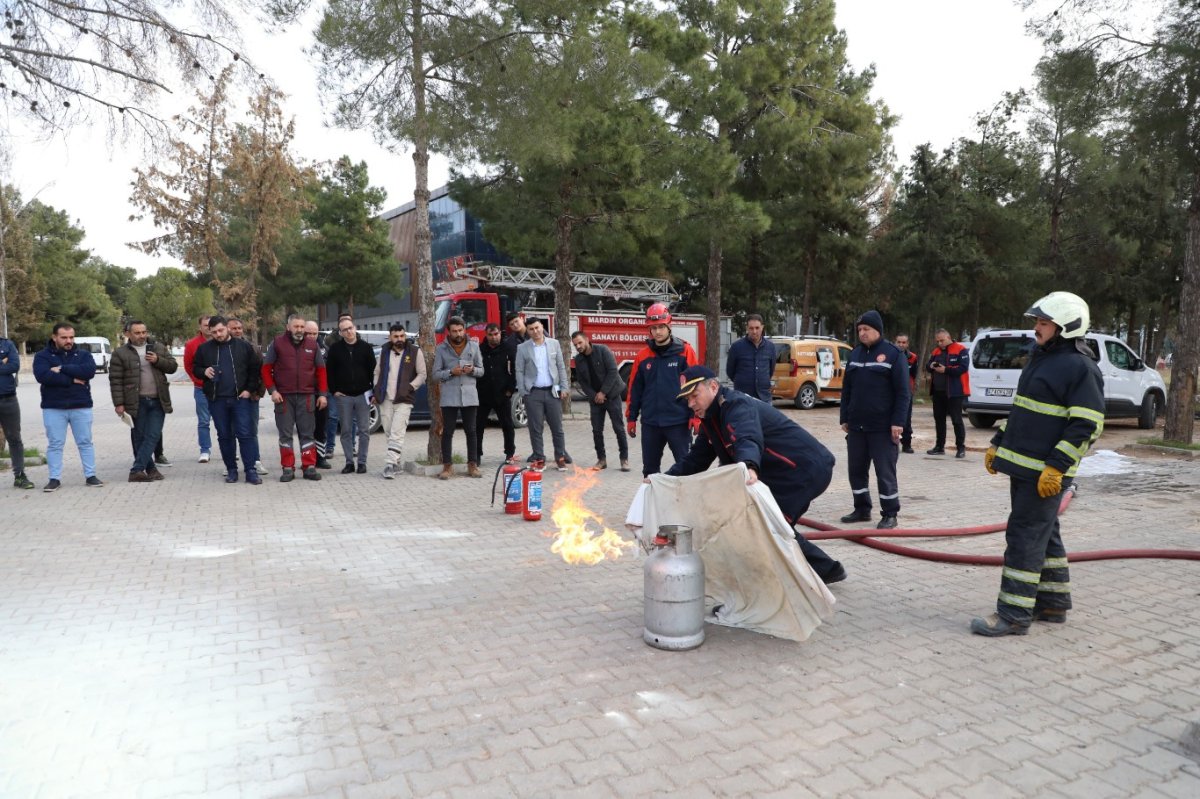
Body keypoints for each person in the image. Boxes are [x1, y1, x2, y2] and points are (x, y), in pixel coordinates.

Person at [972, 292, 1104, 636]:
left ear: (1066, 327)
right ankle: (1052, 603)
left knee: (1024, 537)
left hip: (1045, 472)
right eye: (1037, 322)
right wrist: (998, 444)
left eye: (1043, 323)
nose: (1036, 328)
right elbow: (1022, 409)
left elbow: (1087, 425)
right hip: (1025, 468)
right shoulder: (1040, 358)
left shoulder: (1080, 368)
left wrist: (1057, 467)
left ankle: (1013, 614)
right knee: (1045, 534)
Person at [667, 366, 846, 584]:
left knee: (768, 527)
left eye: (694, 396)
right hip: (780, 472)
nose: (691, 404)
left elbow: (747, 437)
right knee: (769, 526)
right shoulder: (710, 419)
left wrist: (749, 465)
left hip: (803, 469)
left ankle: (781, 582)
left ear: (713, 387)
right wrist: (665, 479)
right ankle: (824, 569)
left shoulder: (736, 406)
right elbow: (697, 459)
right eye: (687, 399)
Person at [839, 310, 909, 530]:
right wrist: (844, 417)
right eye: (859, 330)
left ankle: (890, 513)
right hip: (857, 426)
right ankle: (862, 509)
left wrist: (898, 422)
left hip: (883, 427)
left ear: (877, 330)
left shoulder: (893, 354)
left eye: (866, 329)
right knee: (856, 470)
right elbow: (846, 390)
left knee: (884, 472)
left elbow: (903, 393)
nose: (862, 333)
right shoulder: (855, 354)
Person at [626, 302, 698, 477]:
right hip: (651, 423)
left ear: (669, 325)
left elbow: (696, 386)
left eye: (661, 327)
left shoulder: (685, 351)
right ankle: (653, 504)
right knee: (650, 472)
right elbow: (635, 389)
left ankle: (685, 504)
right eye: (653, 328)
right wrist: (631, 418)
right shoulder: (643, 356)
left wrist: (696, 416)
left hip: (678, 423)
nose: (657, 332)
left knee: (686, 469)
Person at [32, 323, 103, 492]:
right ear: (54, 337)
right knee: (55, 444)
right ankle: (54, 478)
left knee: (85, 442)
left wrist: (63, 368)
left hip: (81, 405)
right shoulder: (42, 356)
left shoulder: (83, 354)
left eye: (71, 337)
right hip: (53, 407)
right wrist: (71, 380)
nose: (68, 341)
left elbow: (89, 371)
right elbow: (43, 376)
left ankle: (90, 475)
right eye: (64, 337)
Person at [194, 315, 264, 485]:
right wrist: (204, 372)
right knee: (225, 436)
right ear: (209, 332)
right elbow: (195, 368)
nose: (218, 334)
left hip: (240, 398)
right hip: (217, 400)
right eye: (214, 332)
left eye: (221, 330)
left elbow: (255, 370)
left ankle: (250, 470)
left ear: (227, 328)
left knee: (246, 435)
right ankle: (231, 470)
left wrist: (248, 390)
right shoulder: (204, 349)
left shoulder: (244, 346)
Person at [262, 314, 329, 482]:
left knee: (307, 434)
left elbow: (321, 371)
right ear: (288, 327)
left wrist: (322, 394)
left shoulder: (312, 345)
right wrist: (273, 391)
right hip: (283, 397)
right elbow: (265, 369)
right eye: (296, 326)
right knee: (285, 435)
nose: (299, 330)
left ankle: (309, 467)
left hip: (307, 396)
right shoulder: (277, 343)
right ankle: (287, 468)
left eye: (301, 327)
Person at [109, 320, 177, 483]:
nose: (142, 336)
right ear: (128, 334)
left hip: (157, 400)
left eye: (144, 332)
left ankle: (137, 470)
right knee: (139, 437)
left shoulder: (158, 348)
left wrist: (158, 360)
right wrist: (119, 404)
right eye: (137, 333)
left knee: (153, 435)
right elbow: (116, 380)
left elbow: (172, 367)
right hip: (135, 401)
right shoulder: (120, 353)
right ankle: (151, 469)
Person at [515, 317, 572, 471]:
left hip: (552, 392)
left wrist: (564, 387)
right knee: (535, 428)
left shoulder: (554, 344)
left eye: (537, 327)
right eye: (531, 329)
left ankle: (560, 457)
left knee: (557, 427)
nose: (535, 331)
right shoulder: (523, 348)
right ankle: (539, 458)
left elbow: (561, 366)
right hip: (533, 393)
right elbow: (519, 370)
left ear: (542, 327)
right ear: (527, 331)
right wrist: (523, 391)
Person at [433, 316, 484, 479]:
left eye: (460, 330)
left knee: (471, 431)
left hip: (470, 395)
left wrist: (472, 370)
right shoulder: (441, 349)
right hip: (449, 396)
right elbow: (435, 375)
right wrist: (450, 372)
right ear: (449, 331)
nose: (458, 334)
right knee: (447, 431)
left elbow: (482, 370)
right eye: (454, 331)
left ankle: (472, 465)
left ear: (465, 330)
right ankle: (447, 467)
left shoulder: (474, 346)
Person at [373, 323, 427, 479]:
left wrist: (410, 387)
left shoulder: (415, 352)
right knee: (389, 433)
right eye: (396, 336)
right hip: (385, 399)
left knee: (397, 433)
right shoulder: (383, 352)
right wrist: (376, 389)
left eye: (402, 336)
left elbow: (422, 374)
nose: (399, 339)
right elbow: (376, 372)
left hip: (404, 399)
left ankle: (389, 465)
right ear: (390, 337)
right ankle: (396, 463)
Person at [571, 330, 629, 472]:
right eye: (575, 344)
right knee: (597, 430)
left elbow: (612, 371)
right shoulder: (578, 360)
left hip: (612, 395)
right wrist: (594, 395)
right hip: (595, 400)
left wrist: (603, 392)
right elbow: (582, 382)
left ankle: (624, 459)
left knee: (619, 428)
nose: (578, 346)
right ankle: (601, 460)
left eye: (580, 342)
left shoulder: (602, 350)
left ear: (586, 340)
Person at [326, 316, 377, 475]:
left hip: (363, 394)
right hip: (344, 396)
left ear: (354, 328)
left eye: (350, 328)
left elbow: (374, 372)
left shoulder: (366, 348)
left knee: (364, 430)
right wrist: (334, 391)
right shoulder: (335, 349)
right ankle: (349, 462)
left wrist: (373, 391)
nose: (349, 331)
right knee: (346, 430)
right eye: (345, 330)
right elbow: (330, 373)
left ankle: (362, 462)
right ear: (340, 333)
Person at [228, 317, 267, 475]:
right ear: (227, 329)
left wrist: (258, 392)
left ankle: (255, 461)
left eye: (239, 328)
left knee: (251, 430)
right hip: (229, 398)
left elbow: (261, 371)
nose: (237, 331)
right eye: (234, 328)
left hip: (250, 397)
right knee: (229, 431)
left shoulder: (252, 347)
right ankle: (230, 464)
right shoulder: (222, 348)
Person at [925, 328, 971, 458]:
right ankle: (939, 447)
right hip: (938, 392)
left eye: (942, 340)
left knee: (956, 420)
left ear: (949, 337)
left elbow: (963, 368)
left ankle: (961, 448)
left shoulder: (961, 349)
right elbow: (927, 366)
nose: (940, 343)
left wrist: (945, 370)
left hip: (955, 392)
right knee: (939, 420)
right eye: (938, 341)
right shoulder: (936, 351)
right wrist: (932, 365)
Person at [477, 323, 518, 465]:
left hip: (502, 394)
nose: (494, 337)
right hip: (483, 394)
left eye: (496, 334)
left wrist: (510, 390)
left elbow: (515, 370)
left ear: (500, 333)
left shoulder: (509, 349)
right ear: (486, 335)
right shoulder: (480, 349)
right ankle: (476, 455)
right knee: (478, 426)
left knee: (507, 425)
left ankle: (510, 453)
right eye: (490, 335)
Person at [0, 333, 34, 489]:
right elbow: (7, 366)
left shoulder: (7, 344)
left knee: (14, 438)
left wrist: (7, 362)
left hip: (9, 399)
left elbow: (14, 366)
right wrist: (2, 362)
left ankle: (19, 475)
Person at [182, 314, 214, 463]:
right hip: (201, 389)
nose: (208, 327)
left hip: (221, 389)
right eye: (205, 325)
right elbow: (188, 366)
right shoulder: (192, 344)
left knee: (227, 420)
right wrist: (198, 380)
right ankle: (205, 450)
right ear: (200, 327)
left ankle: (229, 449)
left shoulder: (221, 340)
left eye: (210, 324)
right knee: (203, 421)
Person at [725, 314, 776, 402]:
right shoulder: (736, 347)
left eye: (757, 328)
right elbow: (730, 371)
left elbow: (771, 370)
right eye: (751, 328)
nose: (754, 331)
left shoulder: (770, 347)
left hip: (764, 398)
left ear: (762, 327)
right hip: (742, 398)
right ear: (747, 328)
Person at [307, 320, 336, 469]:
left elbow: (331, 371)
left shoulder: (325, 349)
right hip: (304, 394)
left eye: (314, 333)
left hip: (322, 394)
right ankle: (308, 459)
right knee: (306, 429)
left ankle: (321, 457)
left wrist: (327, 391)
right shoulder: (297, 349)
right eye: (309, 333)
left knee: (321, 427)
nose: (312, 336)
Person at [894, 333, 919, 454]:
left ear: (907, 344)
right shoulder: (890, 355)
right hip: (891, 391)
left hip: (907, 392)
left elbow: (914, 375)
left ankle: (907, 444)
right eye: (899, 342)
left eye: (903, 342)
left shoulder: (913, 357)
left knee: (906, 419)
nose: (901, 344)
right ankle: (891, 443)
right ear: (895, 342)